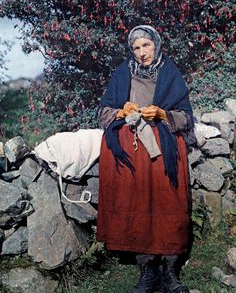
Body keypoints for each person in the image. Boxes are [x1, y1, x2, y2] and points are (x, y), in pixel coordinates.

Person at [96, 25, 194, 293]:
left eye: (146, 46)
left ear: (157, 45)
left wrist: (163, 114)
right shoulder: (121, 74)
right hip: (133, 148)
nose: (142, 53)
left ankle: (170, 271)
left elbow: (186, 116)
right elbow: (103, 111)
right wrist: (120, 111)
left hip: (165, 145)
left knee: (167, 198)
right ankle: (147, 270)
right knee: (137, 201)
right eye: (136, 48)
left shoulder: (170, 73)